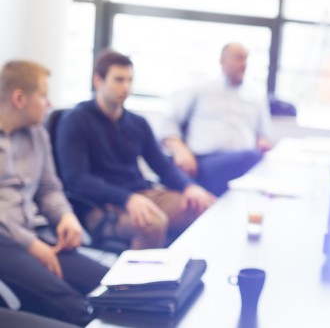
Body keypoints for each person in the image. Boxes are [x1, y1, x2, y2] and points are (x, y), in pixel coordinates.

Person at [55, 50, 216, 250]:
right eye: (119, 80)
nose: (126, 87)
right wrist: (127, 198)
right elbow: (76, 180)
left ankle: (179, 275)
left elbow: (163, 167)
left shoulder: (137, 123)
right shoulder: (75, 120)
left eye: (129, 80)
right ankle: (131, 282)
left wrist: (189, 186)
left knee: (205, 207)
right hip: (101, 206)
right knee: (152, 223)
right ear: (98, 81)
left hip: (141, 194)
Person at [0, 60, 109, 326]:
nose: (49, 103)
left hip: (39, 236)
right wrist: (30, 243)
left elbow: (49, 189)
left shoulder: (38, 133)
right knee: (75, 306)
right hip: (6, 244)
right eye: (43, 95)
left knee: (113, 284)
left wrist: (66, 217)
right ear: (19, 98)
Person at [159, 43, 272, 196]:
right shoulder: (200, 89)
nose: (244, 64)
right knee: (253, 158)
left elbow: (264, 134)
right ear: (222, 61)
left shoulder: (256, 96)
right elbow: (169, 123)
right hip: (204, 162)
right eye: (238, 58)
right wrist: (180, 150)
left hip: (242, 163)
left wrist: (263, 141)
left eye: (246, 59)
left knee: (260, 162)